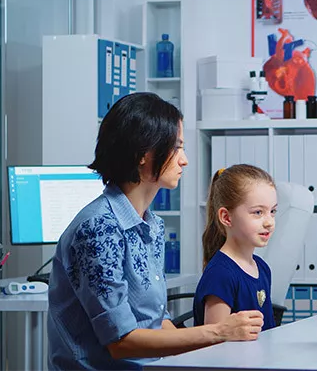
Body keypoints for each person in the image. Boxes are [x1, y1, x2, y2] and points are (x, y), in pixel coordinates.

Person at [47, 93, 264, 371]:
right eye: (176, 148)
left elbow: (156, 320)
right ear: (142, 154)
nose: (184, 160)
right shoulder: (98, 229)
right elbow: (121, 342)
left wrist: (210, 349)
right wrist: (218, 332)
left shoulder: (153, 225)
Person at [193, 164, 278, 331]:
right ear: (226, 217)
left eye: (273, 211)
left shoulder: (262, 268)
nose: (269, 222)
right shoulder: (220, 274)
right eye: (258, 212)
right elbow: (214, 342)